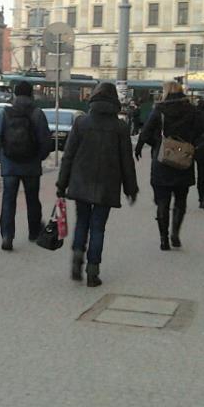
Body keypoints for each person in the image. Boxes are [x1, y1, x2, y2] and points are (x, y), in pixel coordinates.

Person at [56, 83, 138, 287]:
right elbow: (126, 161)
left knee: (82, 221)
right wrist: (131, 188)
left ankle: (77, 257)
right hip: (107, 185)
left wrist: (61, 183)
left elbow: (68, 156)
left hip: (81, 181)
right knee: (98, 227)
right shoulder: (120, 127)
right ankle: (93, 271)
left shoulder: (81, 123)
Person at [135, 81, 204, 250]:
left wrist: (155, 145)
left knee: (162, 202)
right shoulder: (192, 110)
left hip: (162, 161)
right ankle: (175, 234)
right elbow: (201, 133)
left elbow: (145, 133)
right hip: (184, 160)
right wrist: (190, 146)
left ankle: (163, 239)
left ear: (165, 92)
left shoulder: (159, 110)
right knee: (181, 200)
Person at [0, 80, 52, 250]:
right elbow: (46, 141)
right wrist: (39, 157)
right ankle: (34, 232)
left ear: (15, 94)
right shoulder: (37, 114)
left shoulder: (6, 113)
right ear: (31, 94)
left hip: (10, 165)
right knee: (33, 200)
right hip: (31, 166)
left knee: (8, 201)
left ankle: (7, 236)